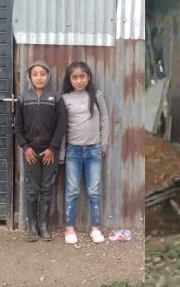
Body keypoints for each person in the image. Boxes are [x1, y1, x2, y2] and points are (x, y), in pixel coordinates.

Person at [14, 60, 67, 242]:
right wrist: (25, 147)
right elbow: (17, 127)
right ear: (30, 77)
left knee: (46, 188)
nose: (39, 78)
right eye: (35, 74)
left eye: (43, 74)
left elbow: (62, 126)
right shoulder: (23, 98)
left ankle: (44, 225)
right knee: (32, 189)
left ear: (48, 77)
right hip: (30, 152)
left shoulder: (56, 97)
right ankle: (32, 226)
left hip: (49, 152)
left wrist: (52, 148)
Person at [61, 61, 109, 244]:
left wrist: (103, 146)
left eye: (82, 76)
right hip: (73, 150)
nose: (79, 81)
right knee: (72, 190)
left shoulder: (97, 97)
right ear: (69, 79)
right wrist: (62, 152)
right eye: (75, 77)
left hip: (94, 150)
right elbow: (62, 128)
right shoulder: (65, 99)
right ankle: (69, 229)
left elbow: (104, 121)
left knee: (94, 190)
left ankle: (95, 228)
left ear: (88, 77)